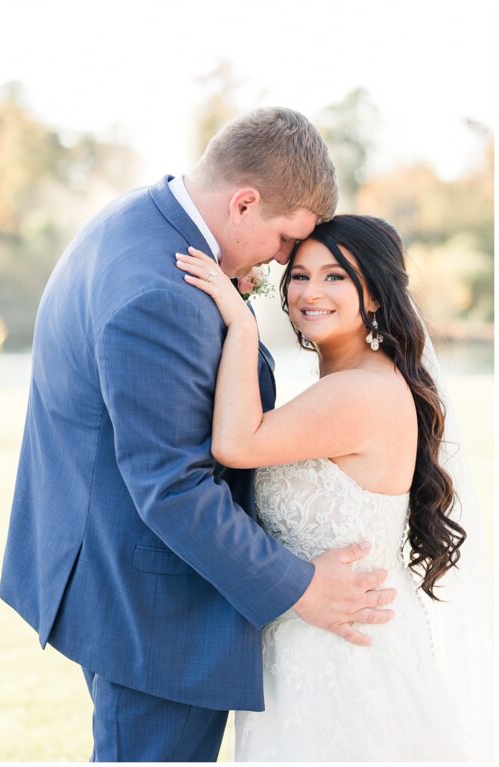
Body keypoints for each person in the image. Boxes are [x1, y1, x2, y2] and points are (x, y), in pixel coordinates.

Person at [0, 107, 397, 762]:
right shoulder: (161, 293)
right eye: (285, 240)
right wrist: (301, 586)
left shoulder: (135, 219)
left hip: (103, 568)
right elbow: (175, 488)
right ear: (244, 203)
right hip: (155, 612)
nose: (284, 261)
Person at [175, 214, 470, 760]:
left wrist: (241, 323)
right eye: (299, 276)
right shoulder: (362, 379)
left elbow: (235, 444)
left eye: (335, 277)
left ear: (374, 294)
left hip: (340, 657)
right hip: (316, 640)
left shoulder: (359, 392)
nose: (311, 292)